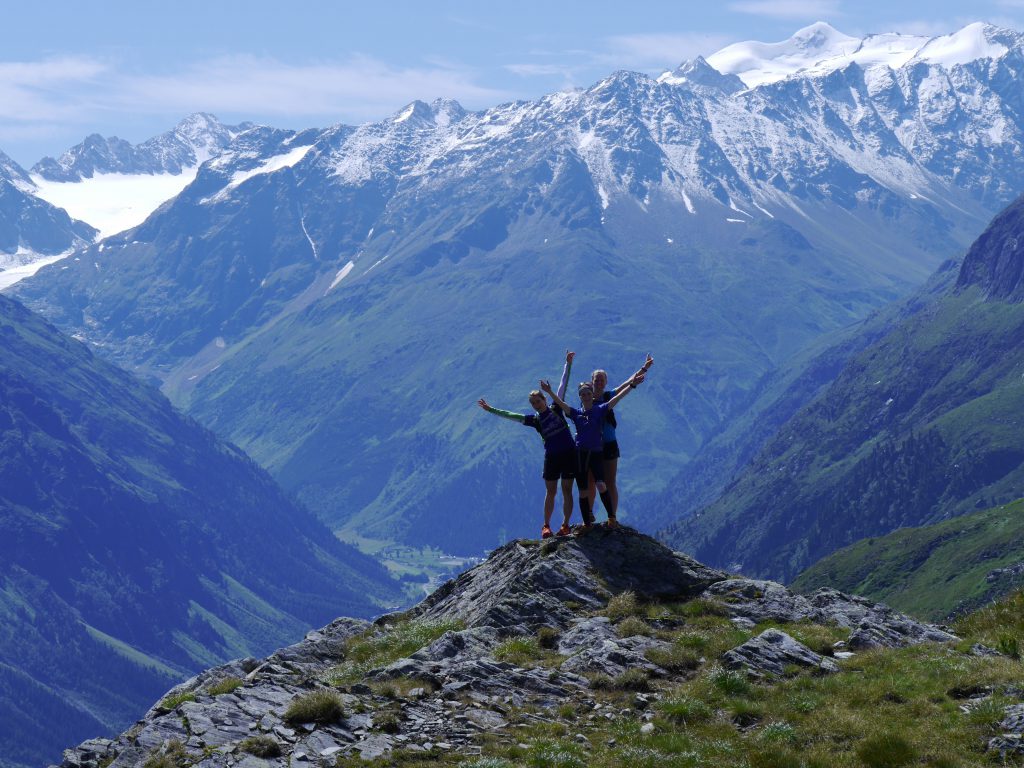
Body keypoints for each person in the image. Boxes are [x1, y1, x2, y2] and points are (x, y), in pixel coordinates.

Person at [477, 351, 576, 538]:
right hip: (552, 457)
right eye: (533, 403)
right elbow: (511, 416)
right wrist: (490, 410)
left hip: (569, 453)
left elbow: (564, 384)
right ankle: (546, 526)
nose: (536, 405)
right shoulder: (535, 420)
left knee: (567, 490)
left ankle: (565, 525)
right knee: (551, 491)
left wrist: (568, 363)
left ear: (544, 399)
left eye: (538, 401)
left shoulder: (556, 406)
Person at [540, 366, 645, 529]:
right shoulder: (575, 413)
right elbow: (561, 404)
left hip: (596, 453)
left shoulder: (600, 409)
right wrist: (549, 392)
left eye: (588, 393)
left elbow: (617, 398)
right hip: (580, 455)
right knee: (583, 489)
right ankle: (587, 524)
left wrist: (632, 385)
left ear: (591, 395)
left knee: (601, 485)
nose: (586, 396)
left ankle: (611, 518)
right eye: (583, 394)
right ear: (580, 397)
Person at [588, 354, 653, 521]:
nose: (599, 382)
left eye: (602, 380)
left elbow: (627, 383)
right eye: (597, 380)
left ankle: (612, 517)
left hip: (609, 444)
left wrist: (644, 368)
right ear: (592, 381)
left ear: (606, 382)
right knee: (590, 483)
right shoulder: (585, 398)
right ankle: (588, 516)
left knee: (610, 482)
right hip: (592, 446)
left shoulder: (609, 396)